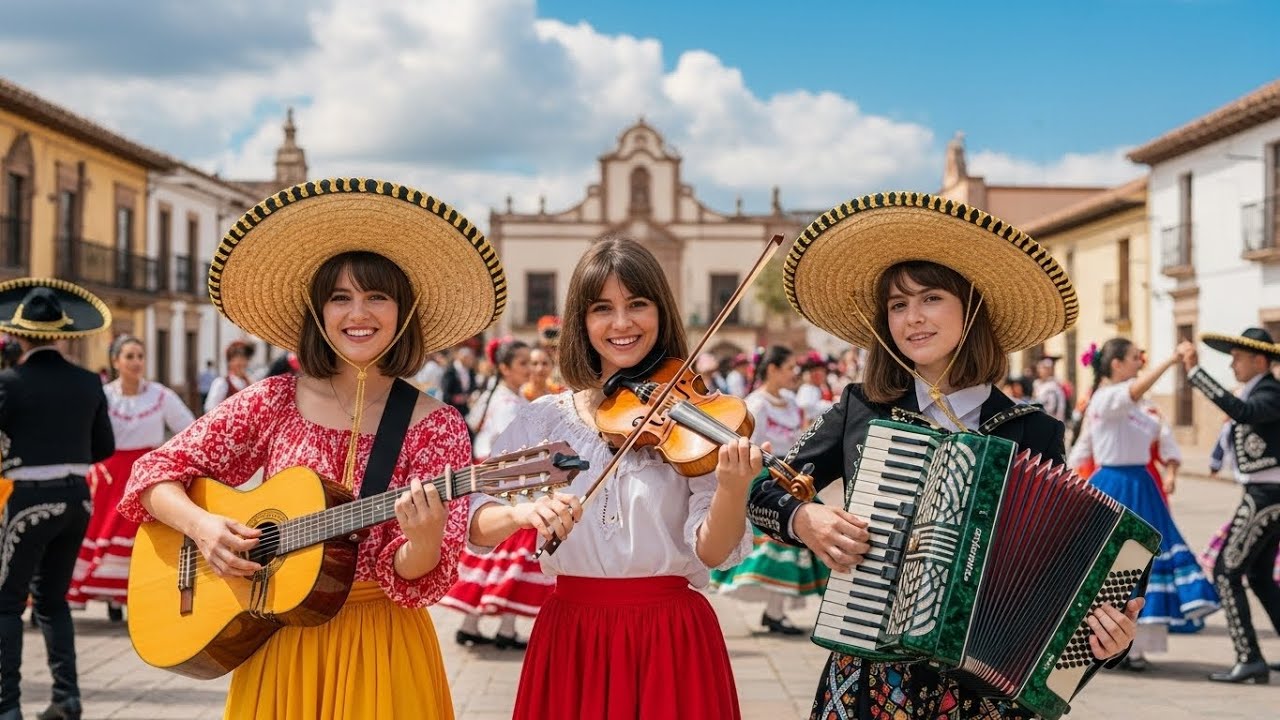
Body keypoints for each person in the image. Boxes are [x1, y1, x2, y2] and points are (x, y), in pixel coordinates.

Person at [116, 179, 579, 719]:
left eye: (376, 296)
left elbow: (416, 578)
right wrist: (204, 528)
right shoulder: (273, 399)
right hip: (280, 644)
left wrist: (424, 540)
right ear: (318, 312)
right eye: (340, 297)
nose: (358, 313)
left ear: (403, 310)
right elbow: (155, 473)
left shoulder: (436, 426)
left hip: (382, 646)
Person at [745, 192, 1141, 719]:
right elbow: (761, 490)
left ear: (970, 307)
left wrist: (1108, 639)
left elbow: (1069, 567)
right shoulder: (861, 409)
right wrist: (804, 518)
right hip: (868, 677)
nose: (913, 318)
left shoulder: (1035, 431)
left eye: (930, 298)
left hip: (986, 694)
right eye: (897, 305)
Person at [495, 236, 757, 719]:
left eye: (637, 304)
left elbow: (714, 553)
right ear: (582, 320)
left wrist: (734, 487)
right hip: (573, 635)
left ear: (661, 313)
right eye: (602, 308)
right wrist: (521, 511)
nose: (621, 323)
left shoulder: (691, 417)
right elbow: (475, 521)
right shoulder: (543, 419)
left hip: (670, 638)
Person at [0, 277, 115, 720]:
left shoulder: (10, 382)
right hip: (77, 500)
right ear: (60, 333)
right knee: (53, 601)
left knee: (7, 603)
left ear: (19, 334)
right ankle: (67, 697)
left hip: (28, 501)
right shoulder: (89, 382)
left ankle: (8, 705)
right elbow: (103, 448)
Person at [1071, 338, 1218, 671]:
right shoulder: (1107, 397)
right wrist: (1170, 359)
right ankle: (1094, 640)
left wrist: (1171, 471)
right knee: (1110, 565)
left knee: (1142, 565)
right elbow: (1084, 448)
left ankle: (1133, 646)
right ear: (1117, 364)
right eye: (1135, 359)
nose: (1140, 363)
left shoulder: (1138, 406)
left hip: (1141, 486)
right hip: (1113, 484)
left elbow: (1156, 433)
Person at [66, 335, 195, 621]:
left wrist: (169, 461)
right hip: (109, 477)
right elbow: (85, 431)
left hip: (144, 477)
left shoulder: (160, 395)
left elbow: (190, 429)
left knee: (137, 538)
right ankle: (110, 597)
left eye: (140, 356)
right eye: (130, 356)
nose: (136, 362)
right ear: (116, 361)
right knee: (104, 535)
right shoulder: (104, 395)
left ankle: (131, 596)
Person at [1178, 328, 1280, 683]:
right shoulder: (1261, 390)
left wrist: (1196, 373)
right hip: (1264, 494)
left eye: (1238, 357)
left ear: (1260, 361)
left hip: (1268, 496)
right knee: (1258, 575)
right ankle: (1251, 656)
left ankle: (1249, 657)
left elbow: (1242, 411)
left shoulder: (1270, 392)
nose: (1233, 363)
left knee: (1226, 570)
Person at [444, 338, 555, 649]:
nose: (531, 369)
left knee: (502, 562)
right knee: (511, 560)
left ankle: (484, 625)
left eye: (533, 363)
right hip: (508, 487)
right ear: (505, 369)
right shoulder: (507, 404)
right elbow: (512, 453)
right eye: (523, 363)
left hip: (509, 485)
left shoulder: (509, 398)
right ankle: (497, 626)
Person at [709, 345, 828, 634]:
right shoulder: (755, 405)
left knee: (801, 541)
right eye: (789, 368)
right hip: (765, 478)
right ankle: (775, 613)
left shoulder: (790, 401)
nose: (794, 374)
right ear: (772, 370)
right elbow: (744, 445)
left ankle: (776, 612)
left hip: (793, 476)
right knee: (776, 545)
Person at [203, 340, 255, 413]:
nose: (243, 363)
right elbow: (210, 409)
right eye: (239, 359)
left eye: (245, 359)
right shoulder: (222, 383)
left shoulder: (249, 383)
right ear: (230, 362)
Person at [794, 350, 835, 421]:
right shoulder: (807, 389)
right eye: (813, 371)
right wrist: (833, 405)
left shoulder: (820, 388)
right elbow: (807, 409)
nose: (819, 375)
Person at [440, 346, 478, 422]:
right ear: (462, 358)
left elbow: (473, 387)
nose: (472, 361)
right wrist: (456, 398)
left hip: (466, 409)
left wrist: (470, 396)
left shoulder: (471, 371)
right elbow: (445, 392)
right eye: (469, 359)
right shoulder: (450, 371)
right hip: (452, 410)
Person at [1033, 355, 1068, 424]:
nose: (1039, 370)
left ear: (1050, 370)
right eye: (1039, 367)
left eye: (1043, 368)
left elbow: (1053, 409)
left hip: (1049, 423)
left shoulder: (1054, 387)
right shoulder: (1037, 384)